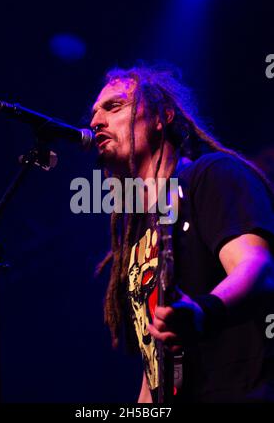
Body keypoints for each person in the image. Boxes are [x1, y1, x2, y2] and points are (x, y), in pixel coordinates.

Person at [90, 65, 274, 403]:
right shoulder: (137, 230)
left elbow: (257, 268)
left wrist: (204, 312)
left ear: (162, 117)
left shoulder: (212, 175)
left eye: (114, 107)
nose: (95, 122)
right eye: (95, 113)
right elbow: (155, 365)